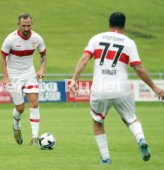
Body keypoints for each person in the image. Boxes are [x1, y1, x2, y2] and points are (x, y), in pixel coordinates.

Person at [69, 12, 164, 164]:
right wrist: (155, 87)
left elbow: (84, 60)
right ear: (124, 26)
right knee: (131, 118)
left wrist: (74, 79)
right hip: (122, 87)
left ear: (109, 24)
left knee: (98, 121)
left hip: (100, 88)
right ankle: (141, 139)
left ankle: (106, 158)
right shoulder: (129, 42)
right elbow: (138, 68)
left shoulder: (96, 38)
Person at [0, 13, 47, 146]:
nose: (26, 28)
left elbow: (44, 56)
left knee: (34, 102)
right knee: (20, 108)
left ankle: (35, 137)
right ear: (18, 25)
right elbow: (2, 58)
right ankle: (16, 126)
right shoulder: (10, 39)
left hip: (29, 73)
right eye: (23, 26)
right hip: (13, 74)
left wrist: (42, 68)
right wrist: (5, 76)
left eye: (28, 25)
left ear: (31, 24)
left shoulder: (37, 38)